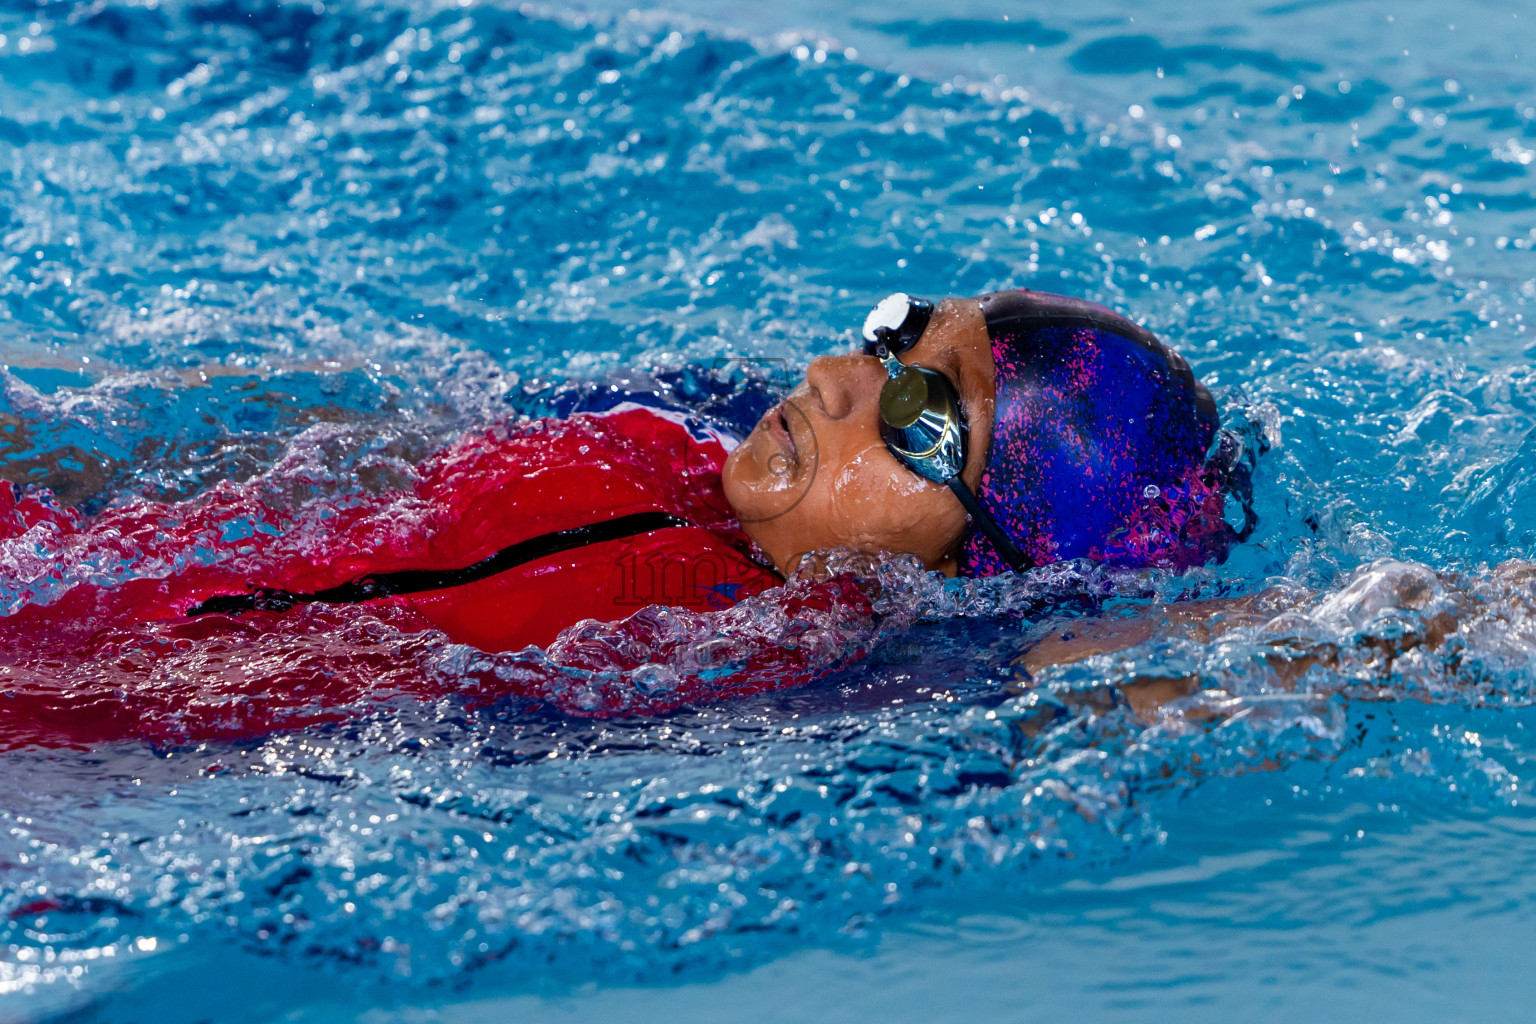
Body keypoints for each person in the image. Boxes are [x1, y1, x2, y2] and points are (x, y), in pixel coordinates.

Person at [0, 287, 1238, 747]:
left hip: (77, 755)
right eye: (897, 334)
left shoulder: (853, 662)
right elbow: (285, 456)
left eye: (920, 418)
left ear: (985, 565)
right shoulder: (642, 438)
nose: (839, 379)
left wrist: (1403, 623)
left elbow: (1148, 659)